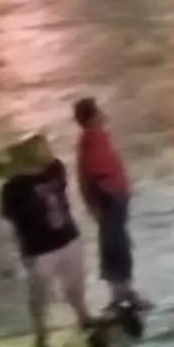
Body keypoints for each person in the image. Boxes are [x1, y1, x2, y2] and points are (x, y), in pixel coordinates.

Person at [0, 134, 96, 347]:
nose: (50, 151)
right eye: (44, 148)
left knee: (75, 282)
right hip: (39, 248)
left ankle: (84, 316)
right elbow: (10, 216)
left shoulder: (55, 169)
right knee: (41, 294)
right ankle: (41, 333)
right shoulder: (13, 188)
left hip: (68, 238)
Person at [73, 97, 143, 324]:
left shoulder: (97, 137)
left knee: (119, 245)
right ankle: (120, 295)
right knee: (115, 248)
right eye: (98, 112)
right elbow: (95, 177)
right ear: (92, 118)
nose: (103, 115)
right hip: (111, 202)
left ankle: (125, 292)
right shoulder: (91, 142)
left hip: (115, 200)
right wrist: (112, 195)